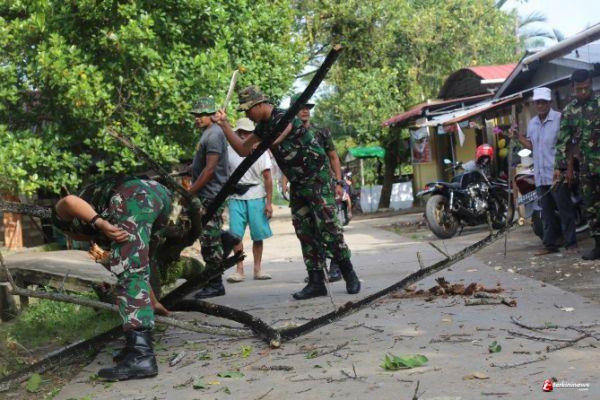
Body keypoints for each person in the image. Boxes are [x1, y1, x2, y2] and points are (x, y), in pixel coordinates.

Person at [215, 86, 361, 300]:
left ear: (259, 104)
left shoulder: (285, 115)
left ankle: (349, 273)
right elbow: (243, 149)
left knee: (328, 227)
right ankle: (316, 281)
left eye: (248, 110)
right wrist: (224, 124)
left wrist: (262, 145)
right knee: (304, 231)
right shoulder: (263, 127)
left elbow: (279, 136)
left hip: (317, 180)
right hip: (298, 184)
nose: (247, 115)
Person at [52, 177, 171, 381]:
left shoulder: (64, 219)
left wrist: (100, 223)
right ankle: (135, 347)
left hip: (134, 194)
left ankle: (141, 356)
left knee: (127, 270)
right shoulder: (111, 220)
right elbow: (138, 268)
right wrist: (154, 302)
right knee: (133, 265)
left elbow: (68, 201)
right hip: (160, 196)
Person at [289, 93, 348, 282]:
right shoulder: (288, 133)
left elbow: (333, 157)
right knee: (309, 230)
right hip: (301, 188)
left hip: (323, 187)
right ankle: (317, 271)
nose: (305, 110)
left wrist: (338, 182)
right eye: (301, 107)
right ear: (293, 110)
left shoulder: (321, 131)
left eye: (308, 107)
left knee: (329, 226)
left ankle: (337, 266)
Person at [512, 87, 577, 255]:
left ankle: (571, 244)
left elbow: (569, 146)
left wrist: (569, 169)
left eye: (543, 102)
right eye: (537, 102)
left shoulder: (559, 119)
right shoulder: (533, 123)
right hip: (540, 176)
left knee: (564, 210)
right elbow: (532, 146)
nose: (540, 105)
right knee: (546, 213)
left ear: (550, 103)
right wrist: (518, 137)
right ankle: (549, 244)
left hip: (557, 174)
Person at [188, 97, 233, 298]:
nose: (198, 118)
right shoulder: (207, 133)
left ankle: (215, 283)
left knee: (209, 239)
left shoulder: (214, 134)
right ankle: (227, 238)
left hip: (211, 194)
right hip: (207, 192)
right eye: (196, 115)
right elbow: (204, 164)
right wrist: (192, 168)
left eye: (202, 114)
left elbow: (210, 170)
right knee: (209, 233)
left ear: (212, 115)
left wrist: (190, 192)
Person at [554, 69, 600, 260]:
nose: (583, 92)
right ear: (572, 88)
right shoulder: (569, 111)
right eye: (579, 89)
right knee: (591, 207)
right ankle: (598, 246)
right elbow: (563, 141)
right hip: (586, 169)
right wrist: (560, 168)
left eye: (586, 88)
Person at [226, 118, 274, 282]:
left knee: (258, 235)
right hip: (235, 196)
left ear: (252, 134)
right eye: (240, 132)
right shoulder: (229, 150)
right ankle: (239, 270)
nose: (243, 135)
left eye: (246, 132)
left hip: (256, 195)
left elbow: (267, 177)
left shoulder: (262, 151)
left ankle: (257, 269)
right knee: (235, 235)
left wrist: (269, 203)